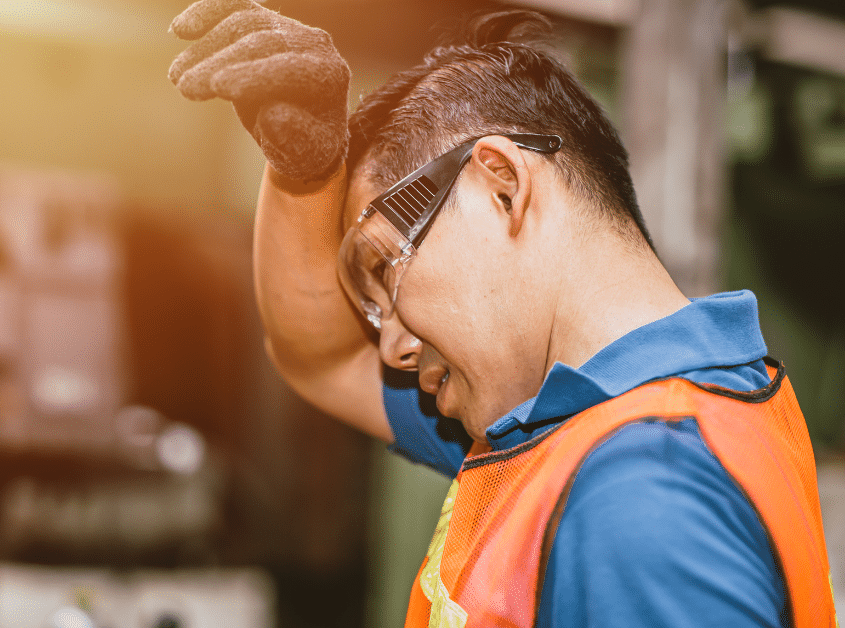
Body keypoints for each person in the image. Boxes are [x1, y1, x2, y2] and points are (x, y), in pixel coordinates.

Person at [168, 1, 836, 626]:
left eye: (385, 268)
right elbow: (324, 356)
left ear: (502, 187)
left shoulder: (641, 496)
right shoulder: (568, 421)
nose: (395, 347)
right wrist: (305, 174)